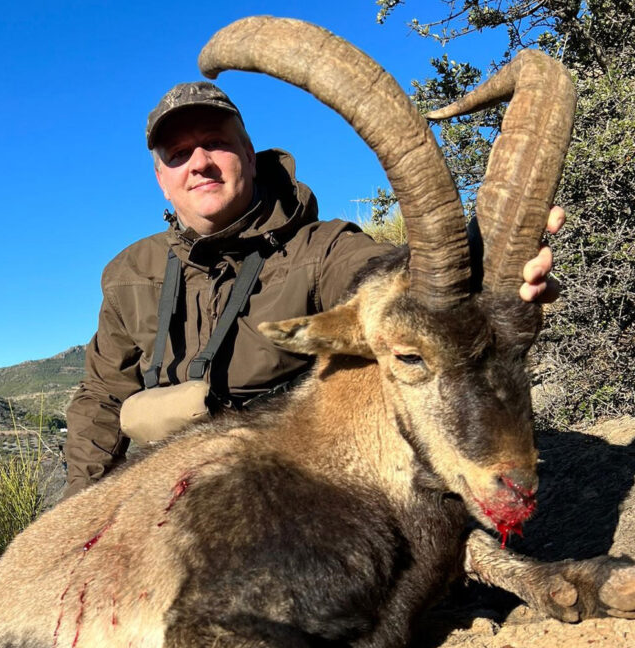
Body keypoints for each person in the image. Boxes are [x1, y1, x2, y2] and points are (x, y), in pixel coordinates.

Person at [62, 81, 563, 498]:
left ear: (249, 157)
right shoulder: (129, 272)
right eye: (178, 155)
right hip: (171, 482)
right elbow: (102, 396)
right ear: (161, 179)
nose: (199, 163)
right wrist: (76, 513)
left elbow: (389, 276)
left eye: (215, 143)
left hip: (298, 477)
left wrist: (487, 256)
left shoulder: (322, 248)